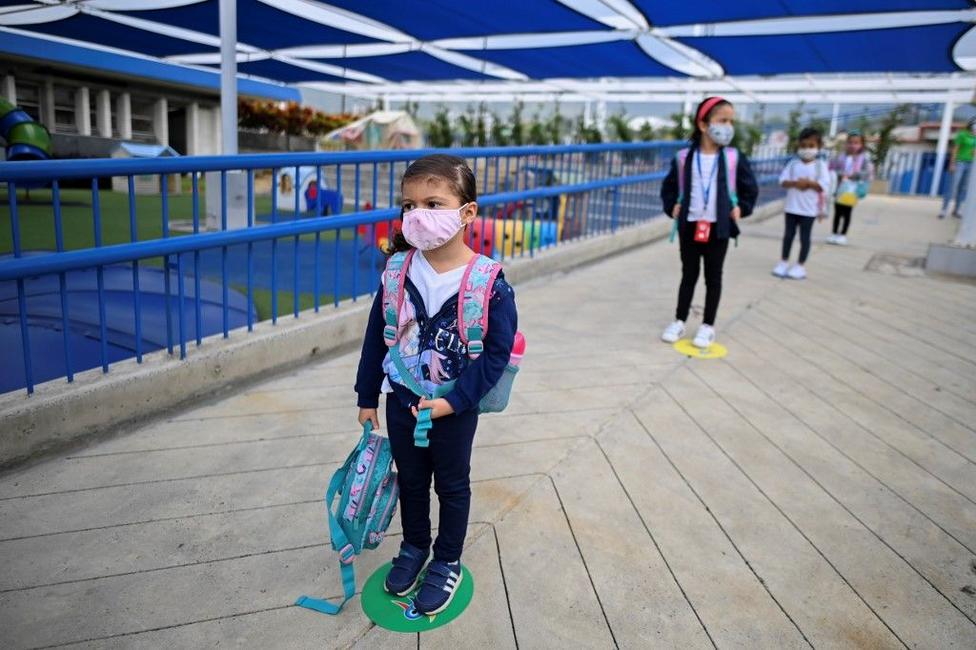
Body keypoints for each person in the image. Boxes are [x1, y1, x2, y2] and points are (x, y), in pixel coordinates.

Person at [354, 154, 517, 615]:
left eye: (432, 202)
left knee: (451, 484)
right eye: (409, 205)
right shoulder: (397, 272)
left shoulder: (488, 284)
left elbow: (494, 357)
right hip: (401, 400)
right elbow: (376, 336)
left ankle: (447, 560)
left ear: (467, 212)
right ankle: (413, 547)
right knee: (409, 479)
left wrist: (455, 403)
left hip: (453, 410)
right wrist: (368, 395)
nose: (416, 215)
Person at [660, 96, 759, 348]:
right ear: (704, 125)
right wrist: (672, 206)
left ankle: (707, 326)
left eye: (730, 121)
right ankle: (679, 320)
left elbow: (750, 189)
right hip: (691, 225)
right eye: (722, 120)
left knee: (713, 277)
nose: (728, 127)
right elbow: (669, 188)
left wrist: (742, 208)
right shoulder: (684, 158)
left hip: (719, 228)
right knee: (688, 274)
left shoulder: (735, 158)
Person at [773, 127, 832, 280]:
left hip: (809, 210)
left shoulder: (820, 166)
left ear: (818, 147)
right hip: (791, 208)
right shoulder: (793, 164)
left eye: (811, 146)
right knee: (788, 236)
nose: (807, 149)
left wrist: (809, 183)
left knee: (805, 237)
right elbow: (782, 182)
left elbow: (823, 186)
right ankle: (783, 262)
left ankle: (800, 265)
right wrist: (795, 184)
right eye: (803, 145)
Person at [828, 130, 874, 245]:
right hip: (839, 188)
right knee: (837, 212)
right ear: (846, 143)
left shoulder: (864, 158)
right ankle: (834, 233)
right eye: (850, 142)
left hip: (853, 189)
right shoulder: (840, 156)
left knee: (847, 212)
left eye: (856, 143)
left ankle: (843, 235)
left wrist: (855, 175)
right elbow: (831, 168)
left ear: (861, 144)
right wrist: (841, 174)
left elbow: (867, 172)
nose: (853, 145)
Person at [938, 116, 976, 219]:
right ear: (972, 124)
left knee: (963, 188)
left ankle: (957, 210)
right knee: (952, 186)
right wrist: (952, 163)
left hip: (970, 164)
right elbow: (955, 149)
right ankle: (944, 210)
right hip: (959, 162)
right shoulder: (962, 134)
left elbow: (973, 153)